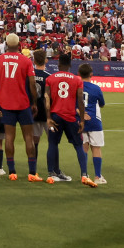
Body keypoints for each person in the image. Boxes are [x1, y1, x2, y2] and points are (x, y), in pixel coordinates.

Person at [0, 33, 40, 182]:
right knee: (28, 137)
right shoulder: (26, 61)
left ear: (6, 44)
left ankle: (12, 171)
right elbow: (32, 84)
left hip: (6, 104)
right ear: (19, 44)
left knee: (9, 137)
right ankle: (32, 172)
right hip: (23, 103)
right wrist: (34, 102)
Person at [44, 53, 94, 186]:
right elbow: (80, 101)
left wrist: (48, 118)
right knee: (78, 145)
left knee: (53, 144)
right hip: (71, 117)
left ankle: (51, 174)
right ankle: (84, 175)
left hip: (55, 116)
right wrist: (82, 120)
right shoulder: (77, 80)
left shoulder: (50, 78)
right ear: (70, 65)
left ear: (58, 64)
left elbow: (47, 99)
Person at [80, 64, 106, 185]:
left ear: (79, 74)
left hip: (81, 120)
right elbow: (102, 103)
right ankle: (97, 176)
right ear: (91, 74)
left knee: (84, 147)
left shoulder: (76, 87)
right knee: (96, 148)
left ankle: (84, 175)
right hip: (94, 121)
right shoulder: (96, 88)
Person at [31, 49, 50, 162]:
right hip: (46, 112)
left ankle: (33, 169)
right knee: (52, 142)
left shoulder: (30, 75)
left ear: (34, 60)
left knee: (34, 141)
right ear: (46, 60)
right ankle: (52, 170)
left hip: (33, 111)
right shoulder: (49, 77)